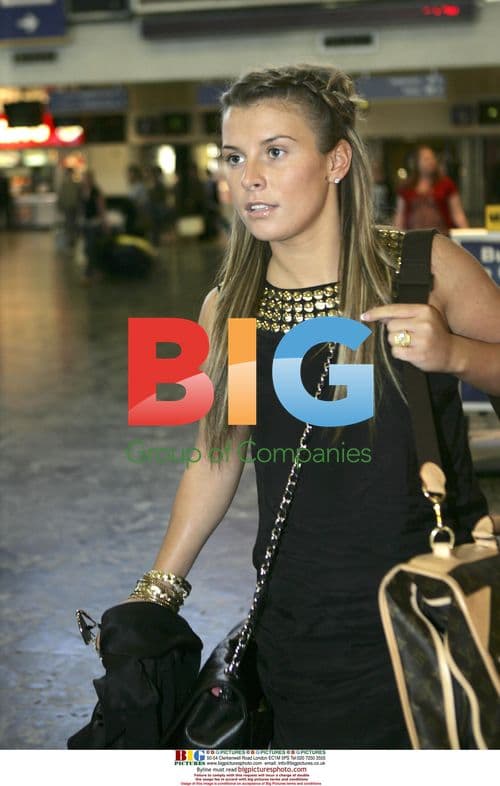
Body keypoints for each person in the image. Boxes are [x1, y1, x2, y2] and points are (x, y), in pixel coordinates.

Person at [96, 65, 500, 749]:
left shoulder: (425, 268)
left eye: (275, 152)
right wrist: (159, 587)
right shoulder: (233, 304)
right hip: (296, 623)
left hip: (427, 603)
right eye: (233, 156)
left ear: (336, 160)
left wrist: (456, 353)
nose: (247, 176)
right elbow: (217, 451)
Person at [393, 144, 469, 233]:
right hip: (413, 238)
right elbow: (400, 216)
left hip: (442, 237)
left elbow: (458, 214)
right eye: (426, 159)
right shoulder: (406, 187)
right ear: (416, 162)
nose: (430, 162)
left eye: (432, 158)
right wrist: (397, 236)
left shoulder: (446, 184)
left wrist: (467, 236)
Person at [80, 170, 107, 283]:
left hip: (94, 223)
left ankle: (89, 273)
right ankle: (96, 271)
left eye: (87, 178)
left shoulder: (96, 192)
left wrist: (103, 222)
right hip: (85, 222)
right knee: (87, 248)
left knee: (91, 248)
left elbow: (101, 207)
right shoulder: (82, 191)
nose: (85, 181)